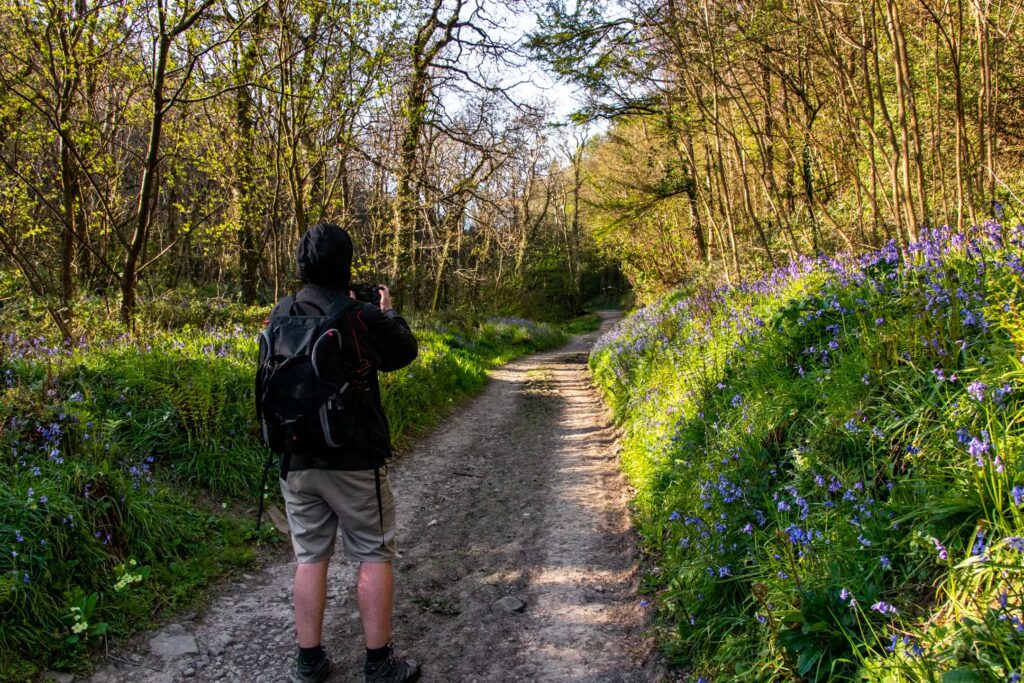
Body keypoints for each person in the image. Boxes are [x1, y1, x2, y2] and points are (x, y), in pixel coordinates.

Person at [270, 223, 421, 683]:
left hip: (295, 457)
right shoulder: (357, 314)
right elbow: (403, 352)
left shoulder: (281, 313)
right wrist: (388, 313)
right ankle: (378, 663)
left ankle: (309, 661)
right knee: (374, 553)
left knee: (310, 557)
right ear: (346, 263)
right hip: (353, 458)